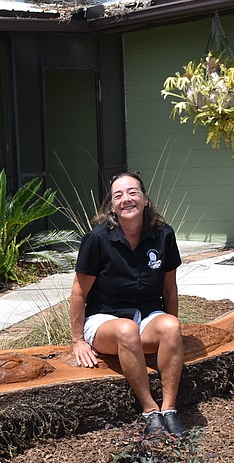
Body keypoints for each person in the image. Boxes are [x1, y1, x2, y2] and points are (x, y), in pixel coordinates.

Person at [69, 171, 186, 437]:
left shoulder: (163, 235)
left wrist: (173, 338)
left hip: (147, 314)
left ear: (145, 200)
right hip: (104, 320)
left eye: (132, 192)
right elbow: (78, 293)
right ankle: (149, 410)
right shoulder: (97, 239)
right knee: (125, 330)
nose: (126, 199)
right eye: (118, 195)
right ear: (112, 206)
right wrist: (78, 340)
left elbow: (169, 288)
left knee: (170, 326)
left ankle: (169, 409)